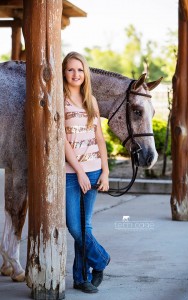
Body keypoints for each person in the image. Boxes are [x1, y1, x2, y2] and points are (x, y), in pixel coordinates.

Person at [63, 52, 110, 294]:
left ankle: (81, 278)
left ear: (85, 73)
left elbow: (99, 138)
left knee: (85, 226)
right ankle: (101, 260)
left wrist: (106, 171)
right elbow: (63, 141)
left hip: (94, 170)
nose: (76, 74)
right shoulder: (58, 101)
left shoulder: (90, 100)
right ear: (64, 72)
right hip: (72, 174)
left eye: (80, 70)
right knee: (74, 226)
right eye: (71, 69)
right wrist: (79, 172)